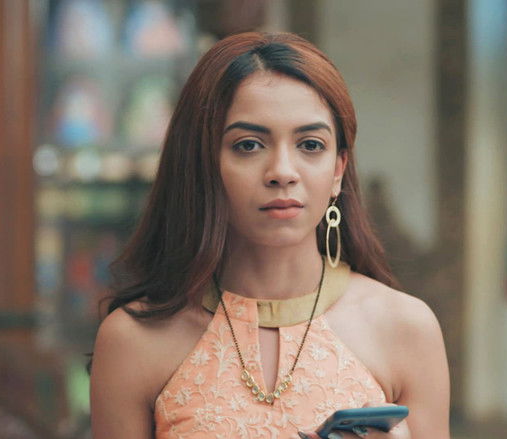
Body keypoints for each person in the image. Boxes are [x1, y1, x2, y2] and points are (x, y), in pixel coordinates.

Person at [89, 31, 450, 439]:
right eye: (248, 145)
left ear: (338, 170)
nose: (282, 171)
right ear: (202, 164)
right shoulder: (133, 341)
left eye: (310, 144)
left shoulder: (406, 328)